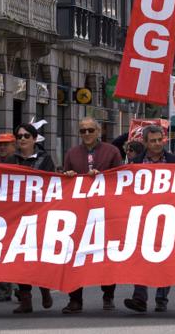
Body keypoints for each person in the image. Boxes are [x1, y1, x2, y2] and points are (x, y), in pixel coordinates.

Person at [62, 117, 123, 313]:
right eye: (82, 131)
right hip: (78, 212)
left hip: (104, 211)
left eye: (90, 130)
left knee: (105, 253)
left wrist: (103, 176)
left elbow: (120, 178)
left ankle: (108, 293)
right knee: (74, 254)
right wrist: (69, 176)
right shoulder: (72, 153)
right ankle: (75, 299)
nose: (86, 134)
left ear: (98, 131)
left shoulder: (112, 151)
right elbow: (64, 180)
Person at [124, 125, 175, 313]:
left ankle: (161, 298)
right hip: (142, 217)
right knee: (140, 257)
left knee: (164, 258)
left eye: (160, 140)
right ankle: (139, 297)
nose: (157, 144)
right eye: (153, 141)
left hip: (168, 217)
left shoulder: (174, 162)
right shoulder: (135, 164)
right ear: (145, 143)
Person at [10, 123, 55, 314]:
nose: (22, 139)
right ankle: (25, 299)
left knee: (38, 256)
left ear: (34, 139)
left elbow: (52, 182)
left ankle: (44, 289)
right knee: (20, 259)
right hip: (17, 216)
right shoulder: (11, 160)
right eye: (19, 136)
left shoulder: (45, 159)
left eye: (26, 136)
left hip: (39, 215)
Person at [0, 132, 18, 303]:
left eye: (6, 144)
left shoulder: (20, 163)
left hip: (19, 215)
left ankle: (22, 289)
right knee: (0, 253)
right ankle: (3, 290)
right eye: (0, 144)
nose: (2, 147)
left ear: (14, 145)